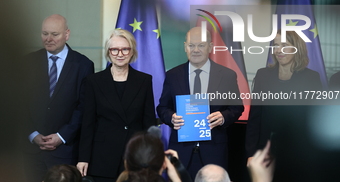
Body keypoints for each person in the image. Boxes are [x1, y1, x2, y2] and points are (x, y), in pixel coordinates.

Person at [157, 27, 244, 179]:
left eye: (201, 45)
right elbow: (162, 107)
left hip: (214, 151)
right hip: (181, 151)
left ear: (210, 47)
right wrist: (171, 117)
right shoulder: (172, 75)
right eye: (191, 45)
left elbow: (237, 107)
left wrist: (223, 117)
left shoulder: (227, 75)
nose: (195, 50)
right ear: (185, 47)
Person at [76, 29, 156, 182]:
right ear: (108, 52)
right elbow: (88, 123)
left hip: (134, 157)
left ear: (131, 52)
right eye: (115, 49)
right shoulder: (94, 81)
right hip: (102, 158)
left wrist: (150, 158)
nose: (120, 54)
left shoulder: (144, 81)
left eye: (125, 49)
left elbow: (149, 123)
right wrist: (83, 158)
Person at [23, 14, 95, 182]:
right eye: (44, 33)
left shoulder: (83, 65)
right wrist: (33, 135)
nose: (48, 39)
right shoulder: (27, 63)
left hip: (65, 151)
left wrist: (61, 136)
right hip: (31, 153)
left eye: (54, 34)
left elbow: (84, 108)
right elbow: (19, 105)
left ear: (67, 34)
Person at [245, 30, 322, 181]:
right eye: (276, 45)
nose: (279, 50)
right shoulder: (263, 75)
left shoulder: (311, 78)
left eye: (285, 45)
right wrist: (250, 153)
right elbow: (255, 118)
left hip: (298, 153)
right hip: (264, 152)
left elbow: (315, 120)